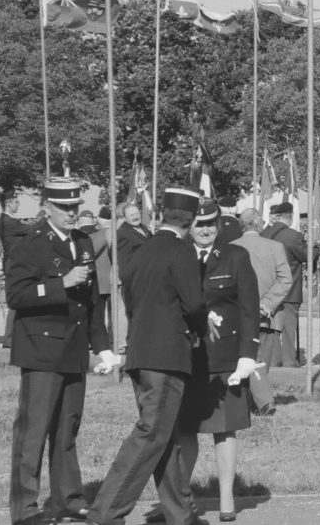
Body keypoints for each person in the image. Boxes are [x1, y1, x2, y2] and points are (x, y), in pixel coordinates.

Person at [86, 188, 206, 525]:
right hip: (167, 354)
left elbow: (132, 299)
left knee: (162, 436)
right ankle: (106, 512)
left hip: (140, 350)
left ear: (163, 214)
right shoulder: (181, 250)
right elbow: (193, 303)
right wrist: (197, 327)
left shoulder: (141, 249)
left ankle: (179, 513)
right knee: (152, 433)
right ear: (193, 220)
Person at [5, 178, 117, 525]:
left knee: (67, 429)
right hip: (41, 349)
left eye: (74, 206)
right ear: (47, 207)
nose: (71, 213)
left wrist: (103, 347)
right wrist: (60, 284)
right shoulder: (29, 241)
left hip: (73, 348)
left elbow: (93, 301)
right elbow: (17, 295)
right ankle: (25, 509)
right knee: (34, 430)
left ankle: (67, 499)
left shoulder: (83, 241)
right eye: (64, 207)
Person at [176, 199, 260, 522]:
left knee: (225, 431)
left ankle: (227, 499)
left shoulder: (237, 256)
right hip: (188, 356)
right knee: (186, 430)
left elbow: (249, 309)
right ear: (190, 227)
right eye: (199, 224)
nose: (206, 229)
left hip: (226, 359)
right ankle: (181, 497)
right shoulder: (180, 256)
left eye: (211, 223)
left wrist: (247, 355)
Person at [231, 207, 291, 415]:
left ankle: (252, 402)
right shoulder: (275, 247)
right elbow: (286, 280)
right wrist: (267, 304)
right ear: (259, 225)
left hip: (238, 313)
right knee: (261, 360)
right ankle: (263, 402)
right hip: (268, 314)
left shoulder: (230, 247)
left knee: (245, 357)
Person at [261, 202, 308, 367]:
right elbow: (306, 256)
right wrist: (316, 249)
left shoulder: (263, 233)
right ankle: (288, 360)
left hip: (267, 290)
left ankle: (273, 360)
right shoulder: (293, 236)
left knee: (271, 327)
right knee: (288, 328)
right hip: (289, 289)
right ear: (290, 217)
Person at [0, 187, 31, 348]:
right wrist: (43, 217)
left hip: (13, 265)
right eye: (17, 202)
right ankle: (10, 337)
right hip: (14, 265)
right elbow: (29, 229)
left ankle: (12, 336)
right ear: (10, 204)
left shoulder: (6, 220)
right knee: (16, 300)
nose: (18, 205)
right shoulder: (9, 222)